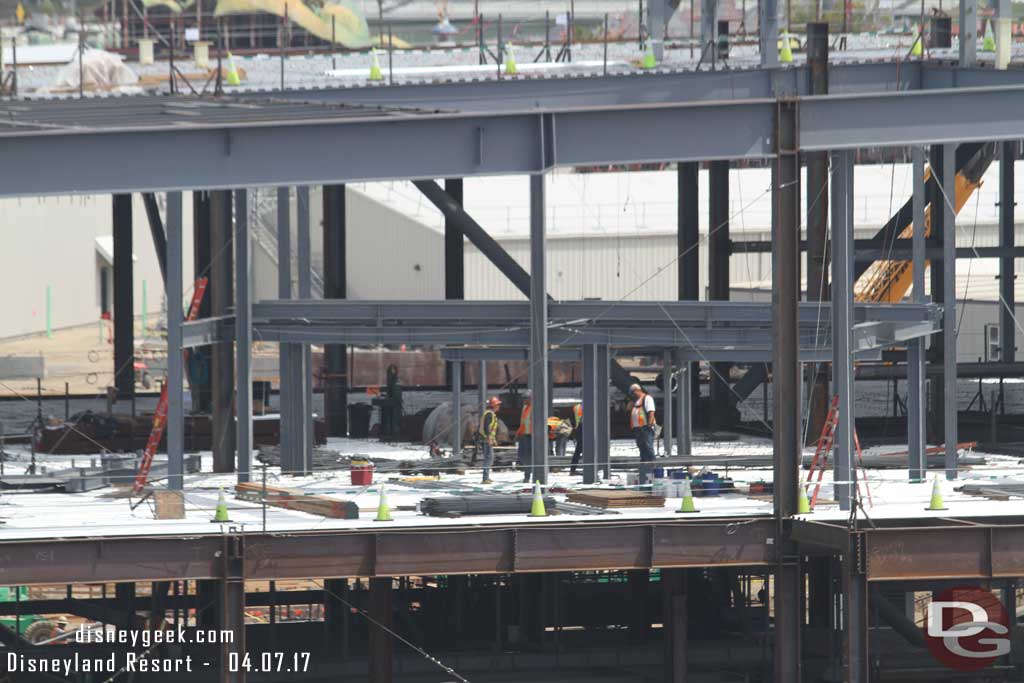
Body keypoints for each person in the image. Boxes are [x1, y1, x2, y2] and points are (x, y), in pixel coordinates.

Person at [629, 383, 657, 484]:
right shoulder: (636, 401)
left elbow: (651, 412)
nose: (632, 395)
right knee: (642, 449)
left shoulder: (647, 398)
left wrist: (649, 425)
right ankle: (645, 471)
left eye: (632, 393)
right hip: (639, 429)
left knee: (648, 448)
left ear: (636, 390)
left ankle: (653, 470)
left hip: (645, 429)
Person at [478, 396, 501, 484]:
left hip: (486, 439)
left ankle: (486, 477)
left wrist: (493, 438)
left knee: (489, 458)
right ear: (494, 406)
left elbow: (490, 429)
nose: (499, 407)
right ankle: (485, 478)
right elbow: (486, 427)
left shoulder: (489, 413)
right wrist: (488, 438)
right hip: (485, 439)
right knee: (489, 458)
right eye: (498, 405)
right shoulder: (489, 414)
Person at [515, 394, 534, 483]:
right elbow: (522, 422)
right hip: (524, 435)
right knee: (521, 455)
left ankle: (527, 475)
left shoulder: (534, 408)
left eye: (525, 398)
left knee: (527, 456)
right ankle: (529, 470)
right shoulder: (525, 408)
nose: (524, 400)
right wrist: (518, 433)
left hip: (530, 436)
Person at [569, 402, 584, 476]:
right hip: (583, 429)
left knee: (578, 451)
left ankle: (573, 469)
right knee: (581, 450)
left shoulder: (576, 407)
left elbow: (573, 420)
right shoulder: (589, 405)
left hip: (578, 429)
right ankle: (590, 468)